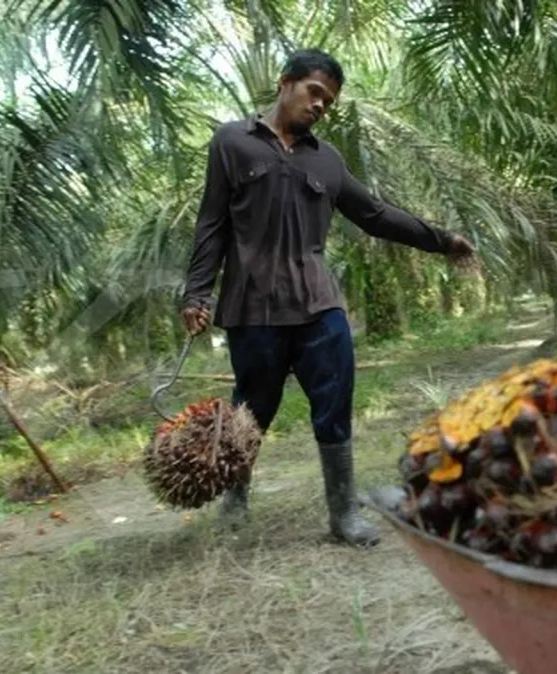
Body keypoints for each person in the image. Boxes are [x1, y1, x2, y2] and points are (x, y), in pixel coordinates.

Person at [179, 49, 475, 547]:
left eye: (329, 101)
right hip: (254, 308)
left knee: (333, 403)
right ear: (285, 83)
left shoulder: (327, 159)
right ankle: (235, 496)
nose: (321, 106)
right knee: (252, 409)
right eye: (315, 92)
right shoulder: (233, 142)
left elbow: (375, 215)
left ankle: (343, 516)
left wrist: (441, 239)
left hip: (319, 304)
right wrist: (197, 292)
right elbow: (211, 224)